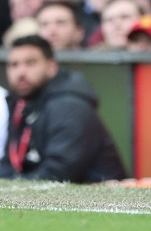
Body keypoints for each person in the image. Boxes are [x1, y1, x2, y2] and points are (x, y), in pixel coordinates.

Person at [0, 34, 127, 182]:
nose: (21, 72)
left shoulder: (69, 105)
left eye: (30, 63)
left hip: (98, 198)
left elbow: (60, 171)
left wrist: (15, 183)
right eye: (14, 65)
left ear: (51, 67)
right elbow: (10, 161)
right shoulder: (20, 103)